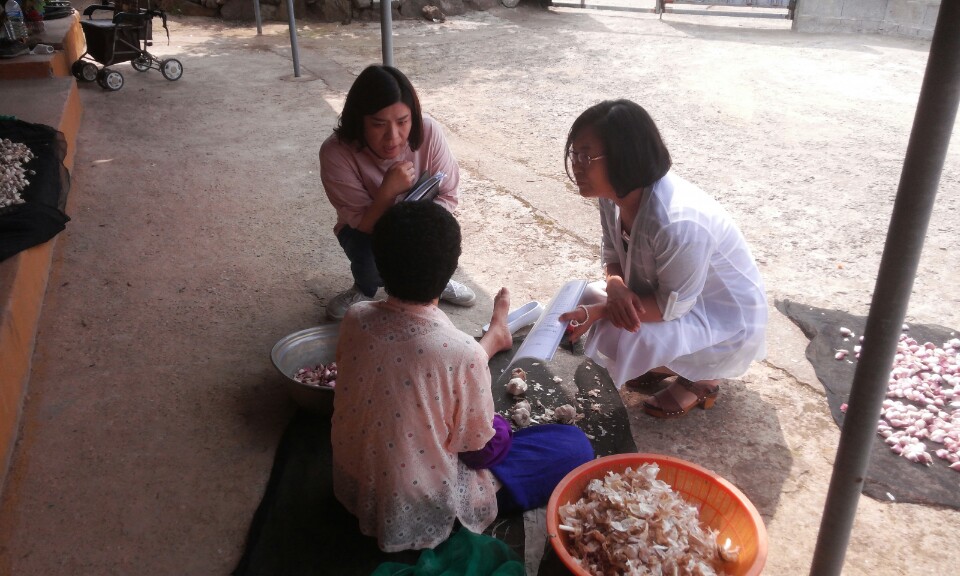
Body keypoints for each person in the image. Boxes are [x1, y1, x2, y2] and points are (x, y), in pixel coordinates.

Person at [331, 202, 592, 553]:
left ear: (378, 264)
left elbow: (416, 370)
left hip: (356, 484)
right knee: (573, 444)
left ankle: (495, 339)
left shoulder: (356, 317)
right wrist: (499, 428)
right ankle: (497, 340)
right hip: (414, 504)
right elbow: (479, 452)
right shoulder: (460, 355)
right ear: (452, 269)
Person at [558, 99, 767, 419]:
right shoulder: (613, 196)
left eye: (587, 156)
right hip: (671, 298)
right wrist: (614, 285)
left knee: (622, 332)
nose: (577, 165)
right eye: (575, 154)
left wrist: (602, 311)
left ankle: (702, 378)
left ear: (626, 158)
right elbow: (612, 250)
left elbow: (674, 307)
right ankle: (664, 364)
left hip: (721, 318)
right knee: (586, 296)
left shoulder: (677, 221)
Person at [319, 64, 476, 320]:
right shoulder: (336, 153)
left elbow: (448, 195)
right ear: (359, 122)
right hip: (366, 230)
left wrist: (418, 229)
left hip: (420, 223)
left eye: (403, 122)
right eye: (378, 124)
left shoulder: (429, 132)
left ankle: (435, 284)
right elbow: (362, 224)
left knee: (443, 231)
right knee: (369, 258)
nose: (393, 137)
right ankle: (364, 288)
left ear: (413, 117)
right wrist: (386, 192)